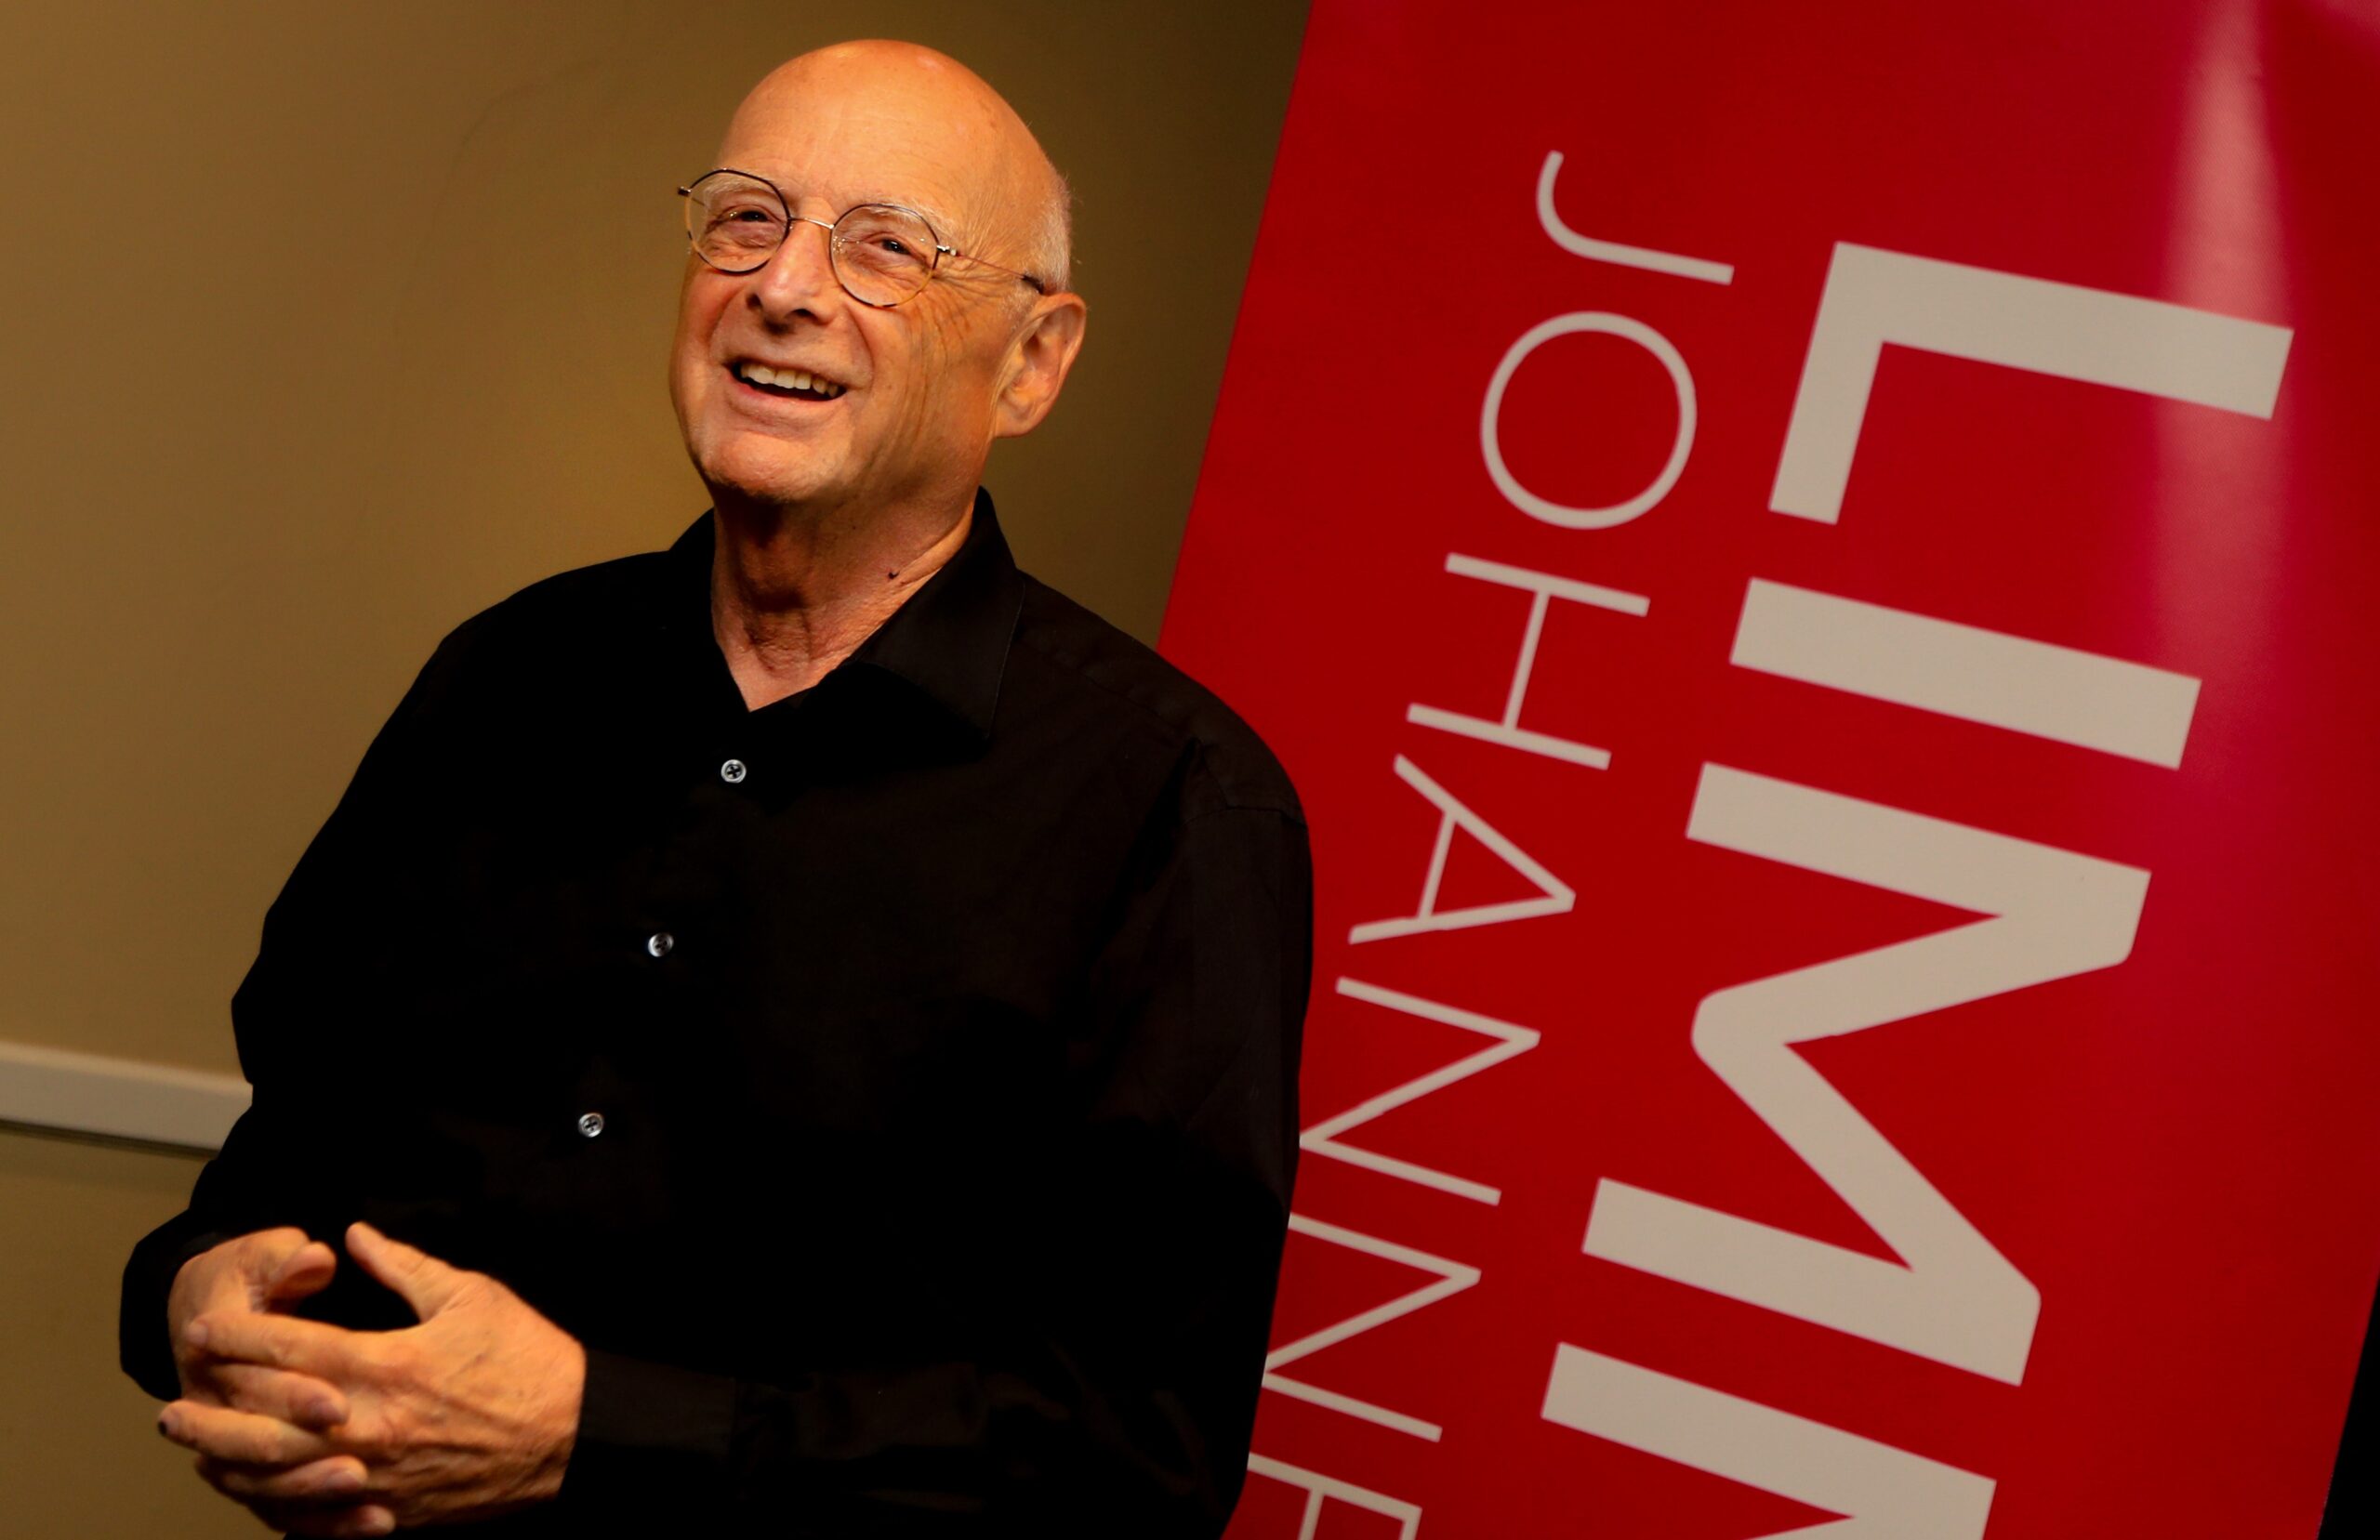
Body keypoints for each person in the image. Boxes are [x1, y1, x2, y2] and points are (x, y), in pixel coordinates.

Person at [119, 39, 1311, 1538]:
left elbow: (1142, 1457)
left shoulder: (1173, 808)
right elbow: (287, 1154)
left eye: (887, 246)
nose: (785, 286)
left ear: (1031, 363)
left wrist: (595, 1434)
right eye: (748, 216)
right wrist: (191, 1287)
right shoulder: (505, 679)